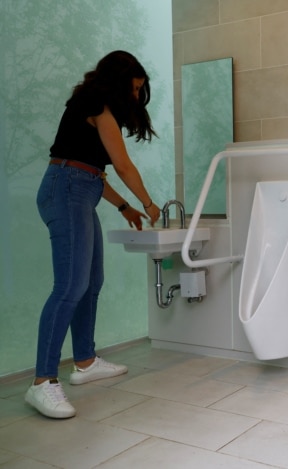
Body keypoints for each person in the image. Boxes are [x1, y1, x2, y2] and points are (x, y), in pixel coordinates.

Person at [25, 51, 161, 419]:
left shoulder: (97, 105)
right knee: (69, 286)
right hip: (66, 189)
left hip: (79, 188)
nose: (136, 96)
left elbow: (92, 171)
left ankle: (84, 361)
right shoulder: (95, 102)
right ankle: (42, 383)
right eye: (134, 88)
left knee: (91, 281)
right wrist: (148, 204)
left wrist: (123, 207)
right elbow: (120, 164)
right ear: (119, 80)